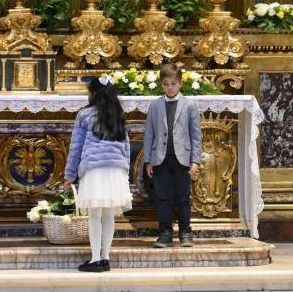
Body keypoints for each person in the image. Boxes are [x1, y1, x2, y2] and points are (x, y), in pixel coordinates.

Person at [64, 75, 133, 272]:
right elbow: (126, 145)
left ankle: (95, 258)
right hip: (116, 169)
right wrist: (125, 173)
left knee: (94, 214)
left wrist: (69, 176)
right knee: (109, 215)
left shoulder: (84, 115)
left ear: (94, 94)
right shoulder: (119, 114)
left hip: (94, 168)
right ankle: (105, 257)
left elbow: (75, 147)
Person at [143, 64, 202, 248]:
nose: (170, 87)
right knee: (163, 196)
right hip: (160, 158)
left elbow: (195, 134)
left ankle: (185, 232)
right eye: (166, 84)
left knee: (183, 196)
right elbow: (149, 134)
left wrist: (195, 159)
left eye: (173, 83)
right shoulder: (155, 105)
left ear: (181, 83)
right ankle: (165, 233)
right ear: (161, 84)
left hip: (182, 157)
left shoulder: (190, 105)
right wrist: (148, 160)